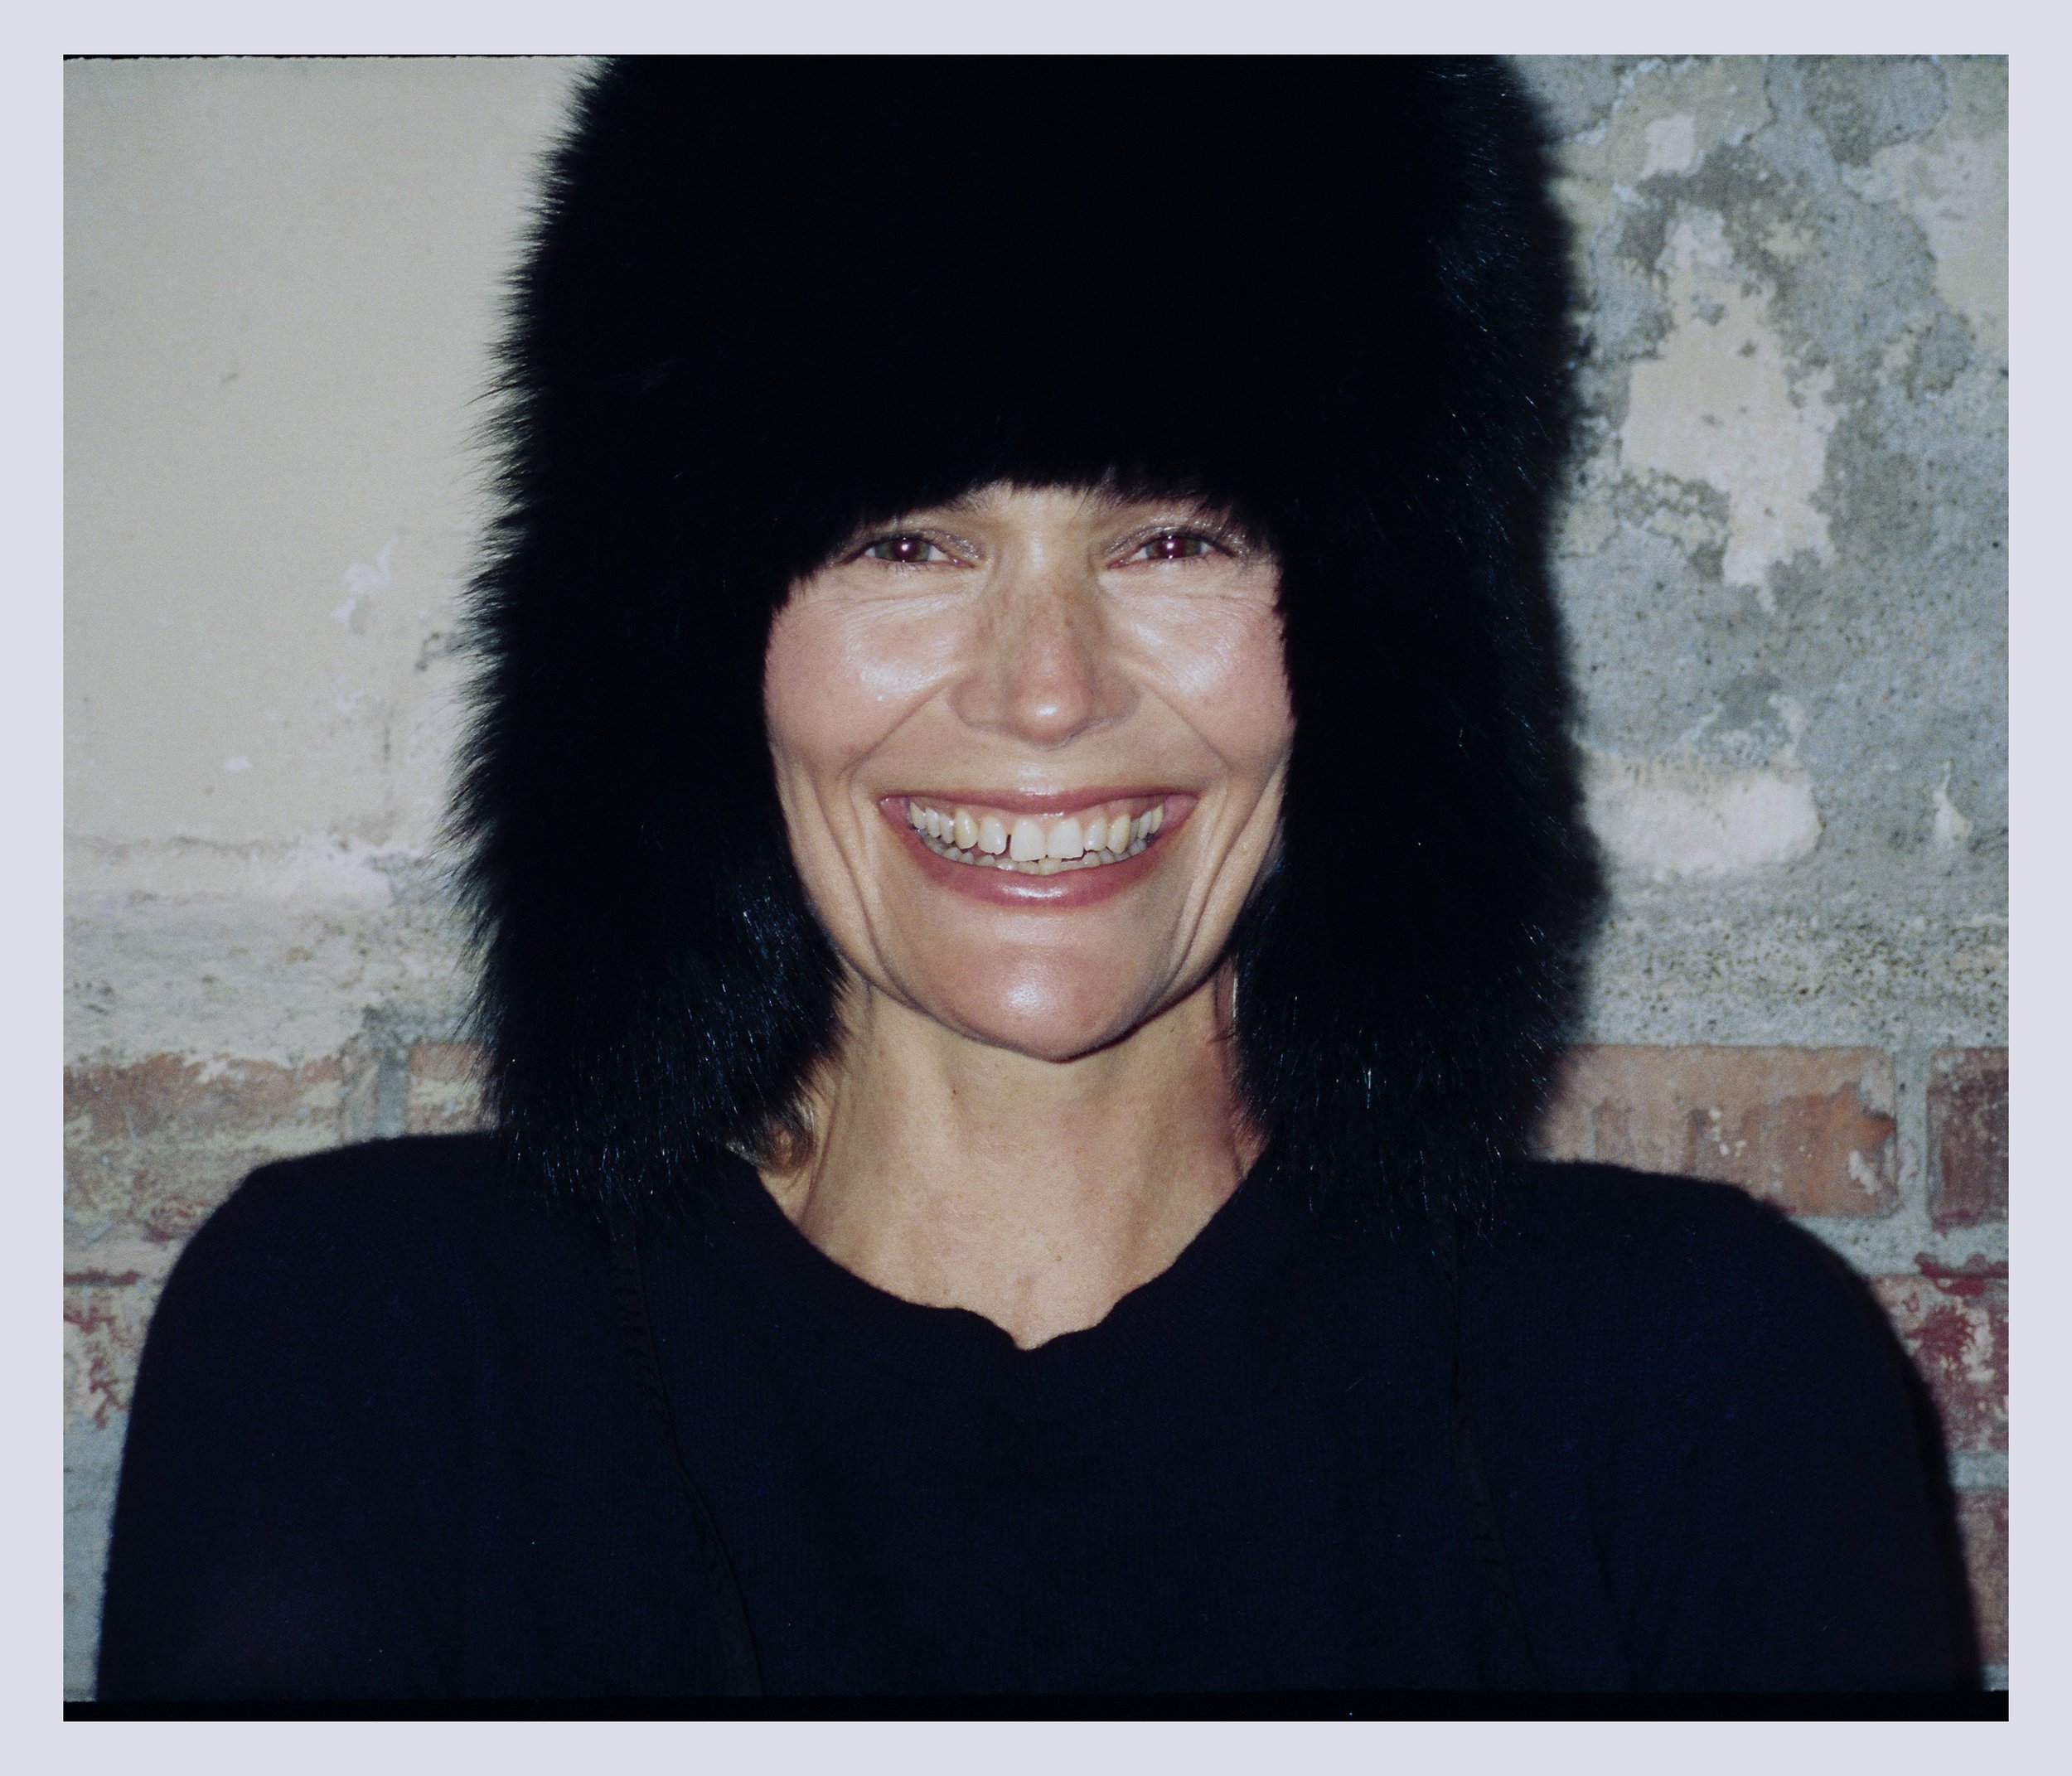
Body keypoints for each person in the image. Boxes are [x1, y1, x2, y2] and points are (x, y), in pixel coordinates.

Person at [95, 57, 1963, 1701]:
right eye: (906, 538)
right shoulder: (379, 1360)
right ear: (689, 645)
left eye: (1171, 535)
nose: (1046, 689)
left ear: (1382, 643)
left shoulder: (1695, 1398)